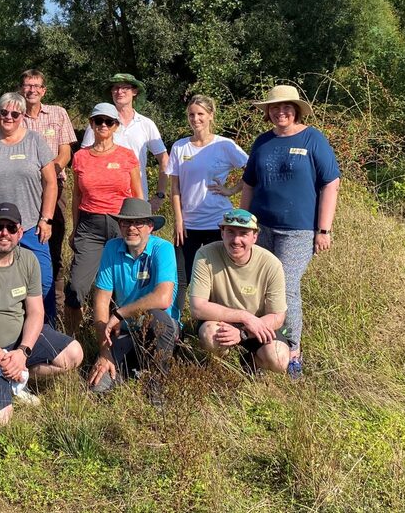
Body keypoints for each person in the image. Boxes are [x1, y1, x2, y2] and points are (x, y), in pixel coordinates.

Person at [240, 84, 340, 380]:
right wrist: (243, 222)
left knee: (285, 285)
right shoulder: (262, 142)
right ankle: (260, 346)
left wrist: (323, 229)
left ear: (296, 110)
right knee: (259, 284)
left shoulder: (313, 139)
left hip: (297, 230)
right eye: (274, 108)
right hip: (261, 228)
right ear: (268, 112)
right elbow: (249, 184)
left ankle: (293, 351)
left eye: (286, 107)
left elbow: (330, 184)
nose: (280, 112)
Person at [0, 203, 83, 424]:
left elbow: (35, 312)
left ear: (20, 232)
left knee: (74, 354)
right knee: (0, 419)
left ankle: (18, 379)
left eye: (11, 228)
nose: (4, 233)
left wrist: (22, 352)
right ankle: (0, 379)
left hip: (18, 344)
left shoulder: (29, 260)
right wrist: (4, 360)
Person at [0, 92, 58, 323]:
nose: (8, 117)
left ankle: (47, 333)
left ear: (23, 116)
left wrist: (46, 219)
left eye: (15, 113)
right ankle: (2, 332)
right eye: (4, 112)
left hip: (30, 228)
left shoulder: (35, 141)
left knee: (43, 281)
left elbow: (51, 182)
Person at [87, 198, 179, 404]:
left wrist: (120, 313)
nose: (131, 228)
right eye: (125, 222)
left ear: (150, 226)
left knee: (158, 319)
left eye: (138, 223)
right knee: (98, 388)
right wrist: (104, 351)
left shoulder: (162, 249)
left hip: (162, 328)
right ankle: (131, 367)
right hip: (127, 331)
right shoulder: (112, 248)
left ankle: (156, 388)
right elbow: (101, 301)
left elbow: (163, 298)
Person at [64, 103, 141, 335]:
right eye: (99, 121)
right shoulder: (80, 157)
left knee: (122, 286)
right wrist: (75, 228)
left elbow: (138, 195)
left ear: (116, 125)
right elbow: (77, 195)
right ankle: (72, 341)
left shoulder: (127, 156)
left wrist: (141, 228)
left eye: (109, 121)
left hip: (123, 225)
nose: (104, 125)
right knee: (76, 286)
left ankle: (120, 340)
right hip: (90, 226)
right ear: (91, 124)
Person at [166, 94, 248, 299]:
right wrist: (178, 220)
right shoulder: (179, 146)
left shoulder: (224, 145)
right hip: (187, 225)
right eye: (191, 115)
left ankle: (214, 324)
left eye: (201, 114)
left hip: (217, 222)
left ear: (211, 115)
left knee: (217, 279)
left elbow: (252, 171)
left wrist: (231, 190)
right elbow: (175, 187)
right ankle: (175, 327)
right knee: (180, 278)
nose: (196, 119)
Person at [189, 209, 290, 374]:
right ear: (222, 233)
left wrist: (243, 332)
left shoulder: (271, 264)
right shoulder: (205, 255)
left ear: (254, 237)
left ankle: (250, 363)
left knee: (279, 359)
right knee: (210, 335)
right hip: (220, 322)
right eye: (230, 232)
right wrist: (244, 316)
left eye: (243, 233)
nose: (236, 240)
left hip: (257, 325)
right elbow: (197, 307)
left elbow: (278, 316)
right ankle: (221, 369)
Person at [19, 69, 76, 312]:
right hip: (22, 189)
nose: (31, 90)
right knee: (22, 244)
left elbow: (66, 152)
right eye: (27, 85)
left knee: (52, 246)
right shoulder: (13, 114)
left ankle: (56, 306)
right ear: (22, 88)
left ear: (43, 90)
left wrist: (49, 172)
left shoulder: (57, 113)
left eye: (36, 86)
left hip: (55, 187)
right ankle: (22, 305)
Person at [80, 73, 168, 210]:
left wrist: (160, 195)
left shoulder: (146, 124)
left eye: (124, 88)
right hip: (100, 204)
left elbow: (164, 160)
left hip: (136, 201)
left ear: (135, 91)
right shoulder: (99, 124)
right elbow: (84, 160)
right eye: (115, 88)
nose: (119, 92)